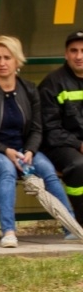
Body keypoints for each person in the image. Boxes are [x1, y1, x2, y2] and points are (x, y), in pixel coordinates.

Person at [0, 35, 74, 248]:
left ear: (17, 61)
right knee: (6, 169)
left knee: (46, 169)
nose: (2, 63)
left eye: (7, 57)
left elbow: (37, 128)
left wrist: (31, 150)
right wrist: (6, 151)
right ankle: (9, 231)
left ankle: (70, 226)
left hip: (23, 149)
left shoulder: (29, 89)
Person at [39, 31, 83, 240]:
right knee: (78, 166)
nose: (79, 56)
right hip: (60, 145)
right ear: (66, 54)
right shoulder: (53, 83)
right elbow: (50, 129)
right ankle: (79, 223)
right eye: (73, 51)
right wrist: (78, 144)